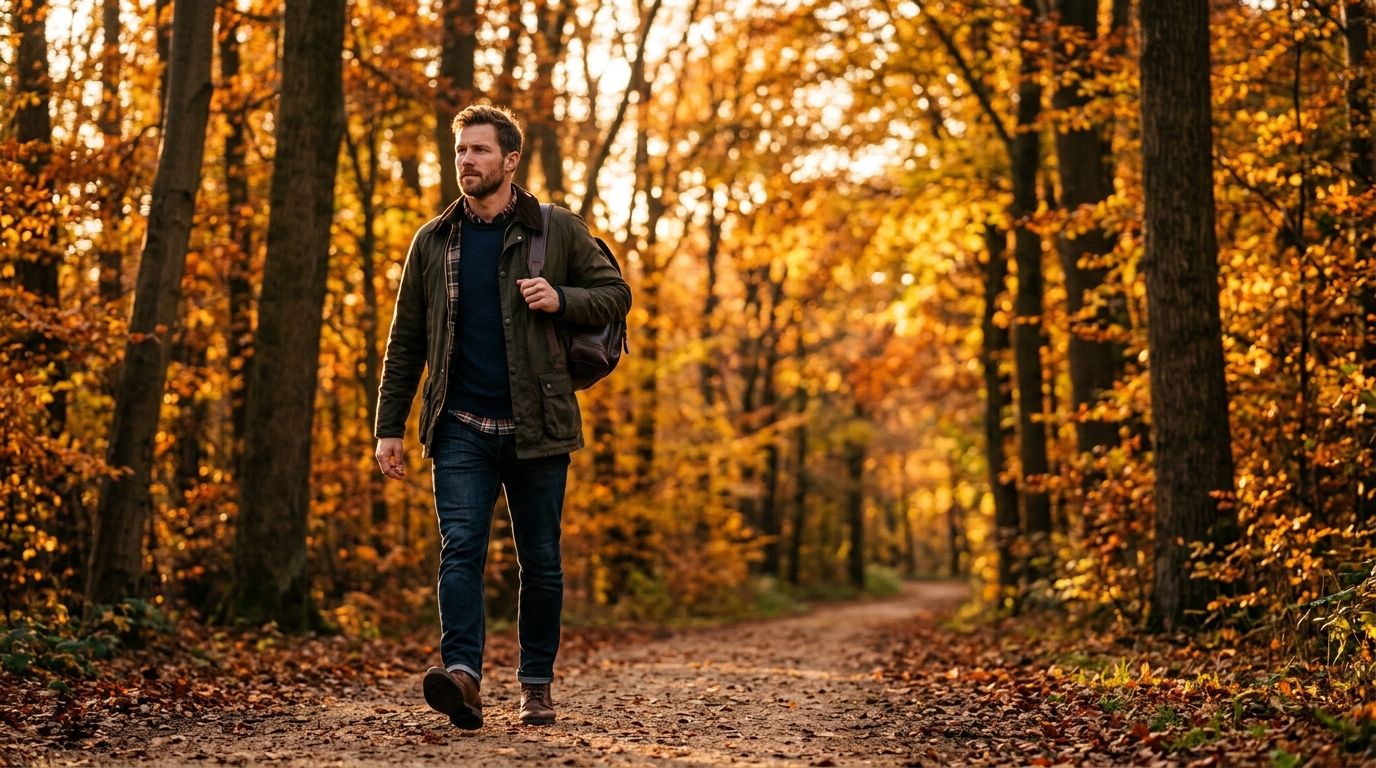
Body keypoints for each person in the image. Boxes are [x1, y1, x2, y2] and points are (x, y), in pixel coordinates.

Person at [372, 104, 631, 729]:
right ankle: (462, 676)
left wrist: (562, 298)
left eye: (480, 150)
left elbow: (617, 293)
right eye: (461, 150)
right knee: (459, 551)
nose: (467, 161)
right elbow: (405, 339)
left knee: (540, 561)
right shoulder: (433, 241)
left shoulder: (556, 229)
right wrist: (389, 426)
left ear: (510, 160)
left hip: (537, 426)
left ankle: (536, 684)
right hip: (458, 423)